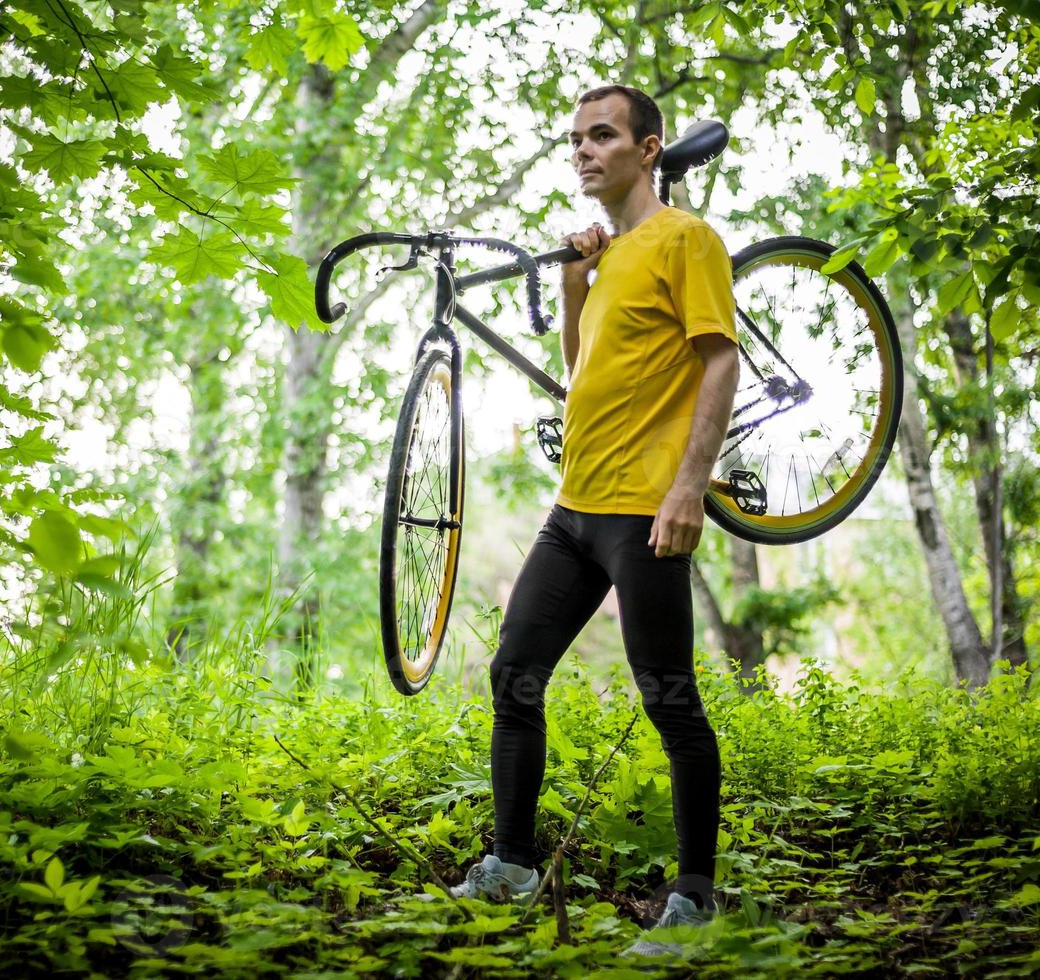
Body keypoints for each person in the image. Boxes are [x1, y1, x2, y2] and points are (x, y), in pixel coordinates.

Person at [448, 84, 741, 957]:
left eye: (602, 136)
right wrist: (576, 283)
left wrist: (690, 486)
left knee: (669, 700)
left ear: (648, 149)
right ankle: (510, 864)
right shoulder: (607, 255)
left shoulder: (685, 238)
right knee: (514, 675)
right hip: (573, 510)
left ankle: (692, 899)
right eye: (574, 138)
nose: (583, 150)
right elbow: (582, 370)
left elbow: (719, 362)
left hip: (643, 511)